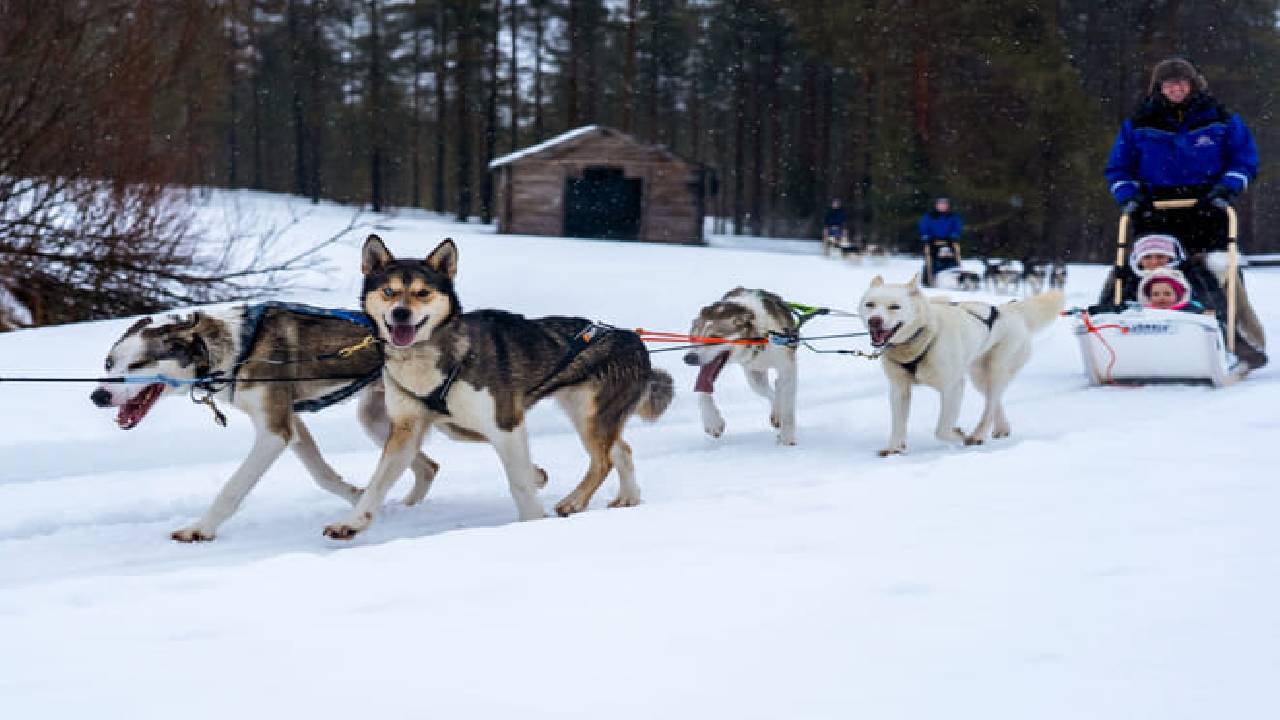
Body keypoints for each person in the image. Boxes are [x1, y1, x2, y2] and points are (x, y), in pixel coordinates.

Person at [1103, 57, 1266, 370]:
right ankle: (1113, 328)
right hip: (1154, 208)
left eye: (1181, 82)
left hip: (1207, 205)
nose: (1175, 88)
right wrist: (1130, 196)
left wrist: (1225, 189)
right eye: (1168, 83)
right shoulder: (1139, 122)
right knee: (1138, 269)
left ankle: (1230, 335)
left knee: (1208, 271)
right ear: (1158, 88)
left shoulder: (1220, 118)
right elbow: (1118, 167)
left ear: (1193, 84)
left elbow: (1244, 160)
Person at [919, 197, 962, 285]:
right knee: (931, 259)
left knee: (953, 258)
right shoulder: (930, 216)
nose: (942, 206)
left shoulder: (953, 216)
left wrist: (954, 235)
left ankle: (956, 278)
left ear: (947, 206)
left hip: (949, 241)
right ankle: (929, 279)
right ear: (936, 205)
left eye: (944, 205)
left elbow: (957, 227)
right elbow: (924, 227)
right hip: (932, 241)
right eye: (940, 204)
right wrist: (926, 236)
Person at [1137, 268, 1206, 313]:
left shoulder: (1190, 310)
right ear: (1149, 296)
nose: (1161, 298)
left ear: (1178, 295)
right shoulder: (1143, 312)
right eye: (1156, 294)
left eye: (1167, 294)